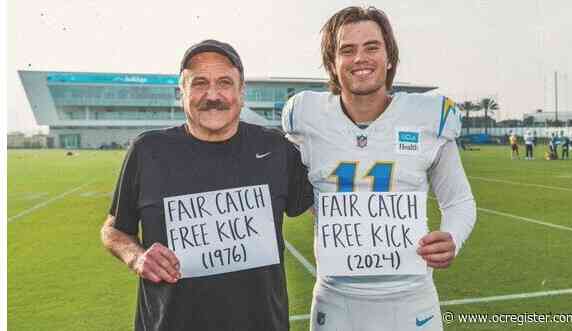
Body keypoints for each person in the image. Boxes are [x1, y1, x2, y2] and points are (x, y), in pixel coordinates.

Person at [282, 6, 476, 331]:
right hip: (335, 301)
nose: (361, 58)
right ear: (333, 63)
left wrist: (453, 236)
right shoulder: (306, 115)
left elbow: (459, 201)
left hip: (412, 302)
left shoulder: (427, 116)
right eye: (347, 50)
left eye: (372, 47)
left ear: (389, 56)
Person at [100, 39, 313, 331]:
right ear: (182, 93)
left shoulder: (275, 148)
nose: (212, 95)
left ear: (241, 92)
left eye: (225, 82)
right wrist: (137, 258)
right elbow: (113, 228)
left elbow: (326, 203)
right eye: (199, 83)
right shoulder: (148, 150)